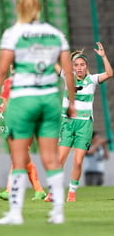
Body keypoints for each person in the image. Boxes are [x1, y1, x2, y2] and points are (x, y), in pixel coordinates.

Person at [0, 0, 76, 225]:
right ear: (40, 5)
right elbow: (68, 73)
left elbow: (2, 71)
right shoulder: (56, 34)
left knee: (19, 157)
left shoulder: (13, 33)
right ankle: (58, 212)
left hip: (23, 99)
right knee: (51, 158)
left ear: (19, 5)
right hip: (49, 99)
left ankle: (15, 213)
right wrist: (72, 102)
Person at [50, 44, 112, 202]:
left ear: (86, 67)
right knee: (60, 160)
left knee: (78, 161)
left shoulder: (92, 80)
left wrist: (103, 56)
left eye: (82, 65)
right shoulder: (67, 76)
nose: (79, 68)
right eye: (76, 65)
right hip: (67, 123)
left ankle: (71, 193)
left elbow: (110, 73)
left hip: (84, 125)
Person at [0, 76, 47, 201]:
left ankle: (10, 189)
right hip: (14, 123)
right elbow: (8, 103)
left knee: (18, 155)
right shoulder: (7, 82)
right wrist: (3, 107)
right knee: (22, 157)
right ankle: (39, 190)